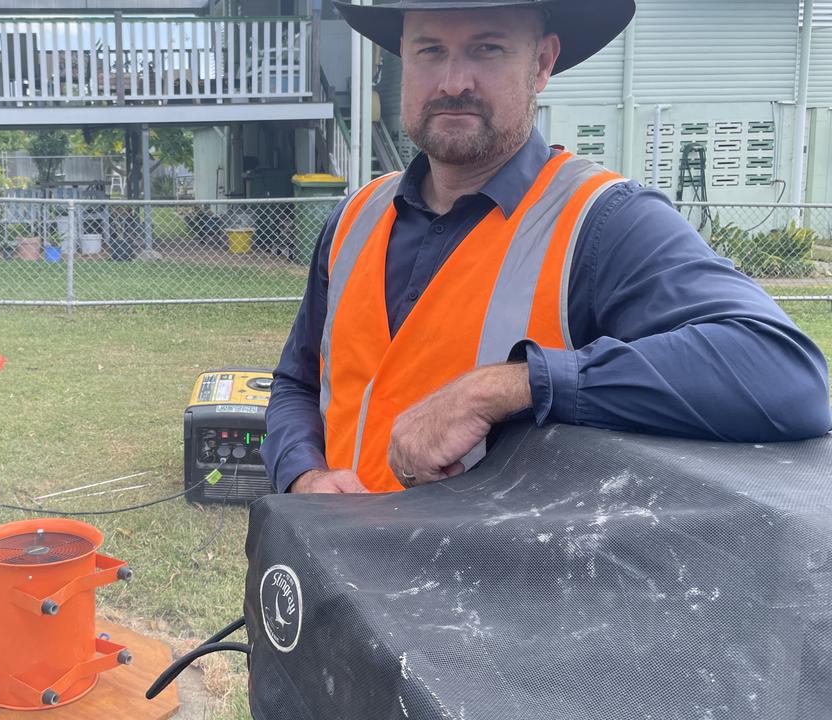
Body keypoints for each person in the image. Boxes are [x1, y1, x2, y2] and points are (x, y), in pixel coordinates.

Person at [263, 0, 831, 495]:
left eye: (487, 49)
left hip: (490, 604)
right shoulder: (353, 219)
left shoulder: (603, 221)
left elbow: (784, 373)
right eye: (430, 50)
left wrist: (507, 387)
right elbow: (297, 383)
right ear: (402, 63)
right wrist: (303, 475)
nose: (454, 80)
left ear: (541, 63)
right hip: (330, 583)